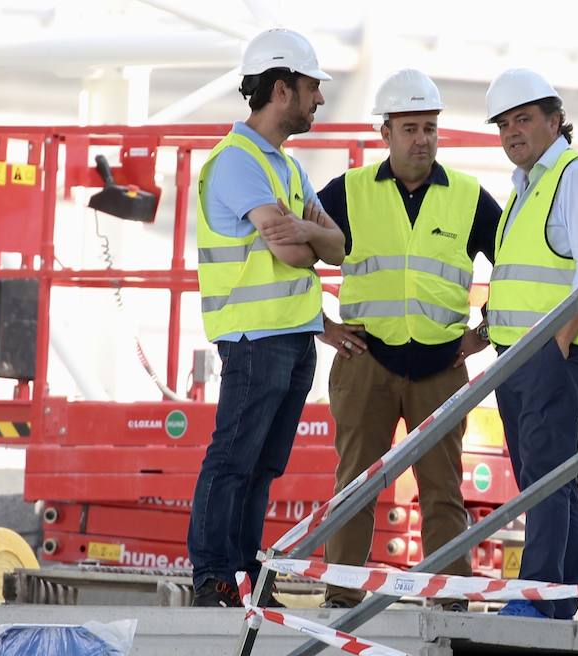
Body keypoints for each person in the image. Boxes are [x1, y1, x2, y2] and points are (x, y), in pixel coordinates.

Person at [315, 69, 502, 609]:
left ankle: (449, 603)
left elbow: (512, 266)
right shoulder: (347, 192)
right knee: (355, 484)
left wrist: (484, 333)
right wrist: (321, 325)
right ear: (386, 133)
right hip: (365, 360)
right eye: (410, 128)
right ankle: (340, 597)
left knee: (443, 489)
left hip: (442, 369)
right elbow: (293, 252)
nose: (422, 139)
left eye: (430, 128)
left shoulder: (469, 197)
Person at [187, 28, 345, 608]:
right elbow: (297, 250)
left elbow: (339, 246)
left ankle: (245, 579)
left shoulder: (286, 168)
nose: (319, 100)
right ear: (282, 89)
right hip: (255, 339)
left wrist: (306, 231)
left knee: (261, 466)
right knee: (233, 458)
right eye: (312, 88)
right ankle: (212, 578)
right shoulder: (237, 164)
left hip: (296, 337)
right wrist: (309, 234)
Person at [484, 68, 578, 619]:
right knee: (549, 474)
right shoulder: (525, 187)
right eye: (504, 124)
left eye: (524, 119)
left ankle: (537, 596)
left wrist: (557, 348)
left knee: (544, 476)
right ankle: (561, 599)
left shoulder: (576, 176)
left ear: (555, 120)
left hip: (553, 355)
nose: (513, 132)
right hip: (517, 359)